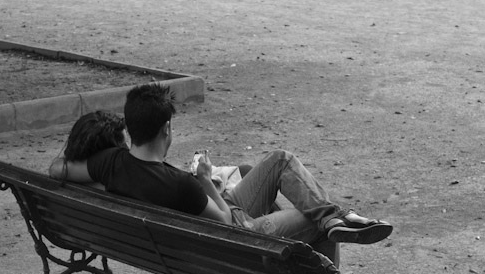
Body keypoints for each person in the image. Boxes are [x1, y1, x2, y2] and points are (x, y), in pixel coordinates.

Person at [49, 83, 392, 247]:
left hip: (194, 233)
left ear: (131, 128)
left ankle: (334, 217)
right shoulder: (180, 185)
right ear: (166, 129)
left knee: (280, 159)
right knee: (309, 216)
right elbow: (227, 224)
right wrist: (204, 180)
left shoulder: (109, 164)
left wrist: (101, 183)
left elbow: (57, 168)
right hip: (236, 237)